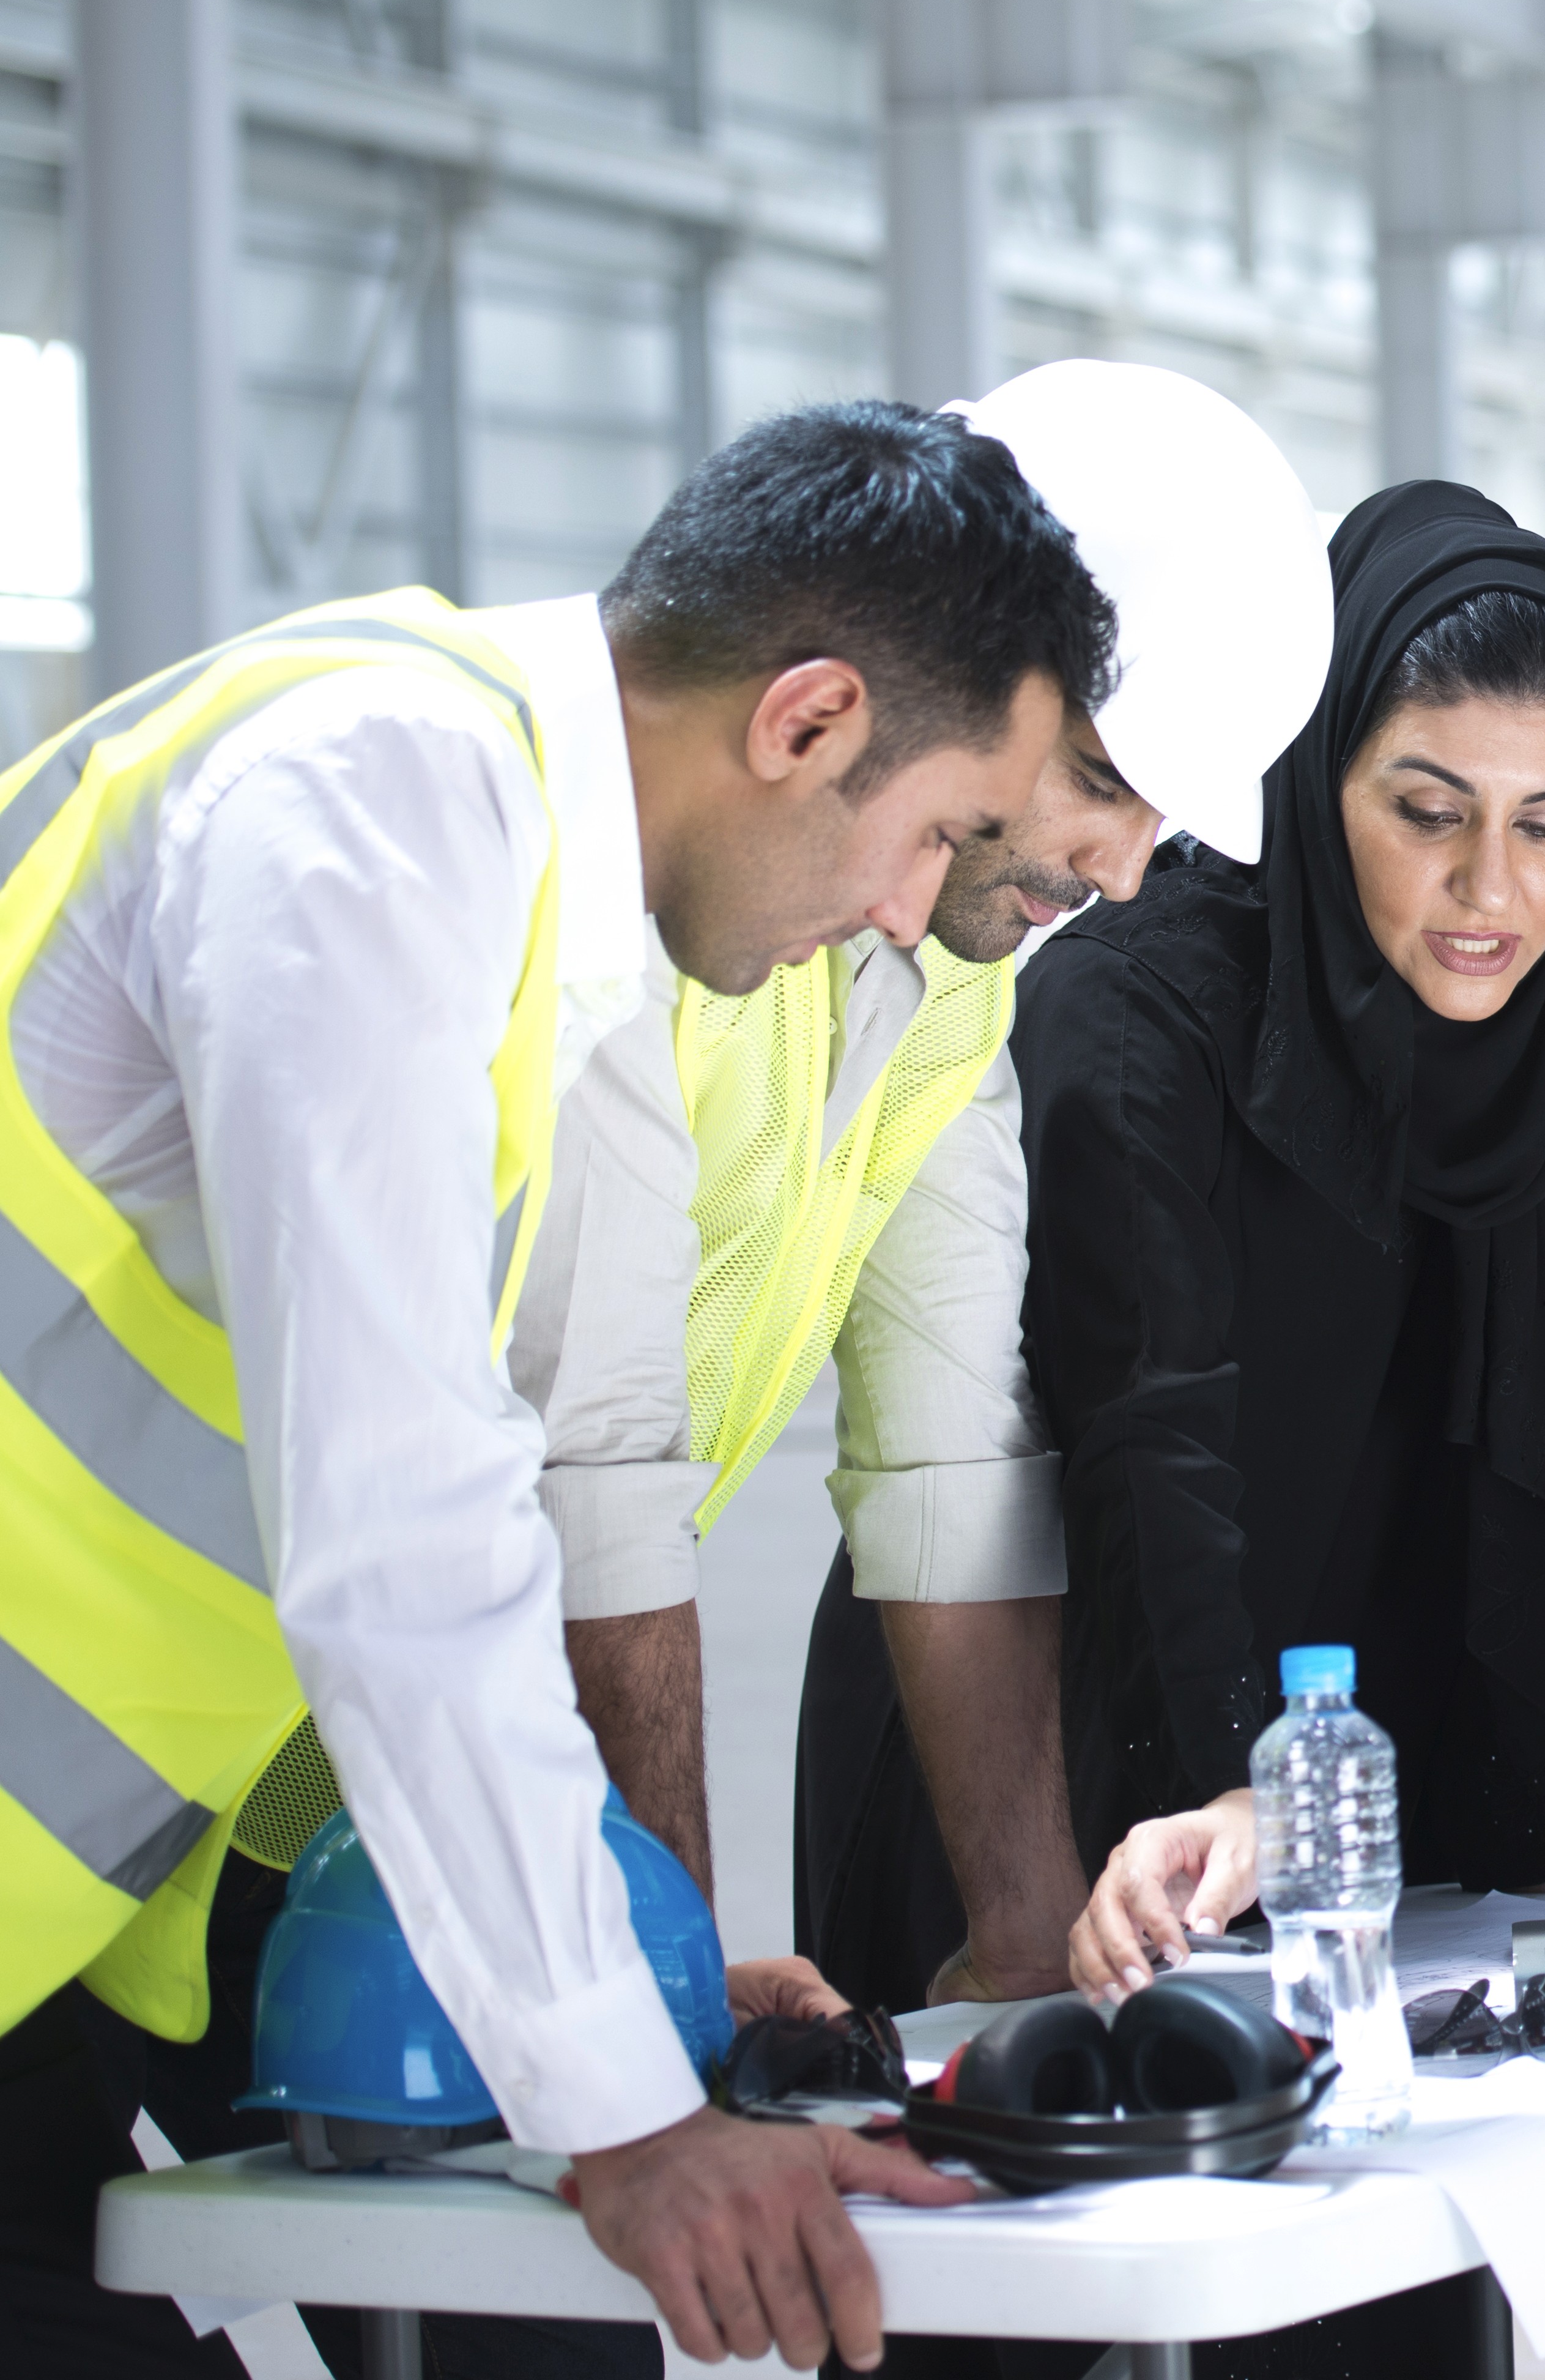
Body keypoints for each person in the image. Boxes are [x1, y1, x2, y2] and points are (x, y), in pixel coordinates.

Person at [1, 401, 1117, 2378]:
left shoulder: (493, 877)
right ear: (804, 721)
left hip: (67, 1926)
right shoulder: (364, 811)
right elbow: (404, 1534)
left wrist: (631, 1974)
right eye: (937, 829)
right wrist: (633, 2111)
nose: (907, 909)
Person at [801, 489, 1545, 2132]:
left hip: (1325, 1748)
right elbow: (1151, 1423)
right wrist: (1232, 1773)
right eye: (1426, 810)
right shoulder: (1142, 988)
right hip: (1051, 1716)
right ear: (1318, 766)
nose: (1490, 888)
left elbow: (1532, 1400)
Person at [504, 364, 1330, 2018]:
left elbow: (949, 1455)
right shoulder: (649, 902)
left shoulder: (947, 971)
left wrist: (1026, 1944)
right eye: (1097, 780)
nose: (1118, 870)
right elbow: (599, 1485)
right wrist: (668, 2015)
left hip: (347, 1766)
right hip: (274, 1766)